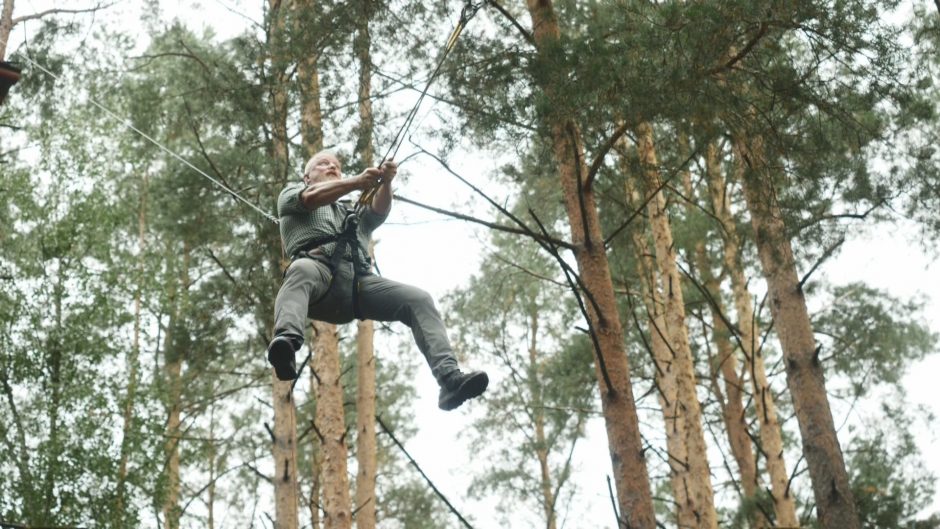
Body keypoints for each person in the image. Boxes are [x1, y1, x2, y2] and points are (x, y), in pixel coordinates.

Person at [267, 150, 488, 411]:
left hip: (359, 285)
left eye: (336, 165)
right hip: (318, 274)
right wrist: (358, 182)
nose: (331, 167)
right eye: (323, 164)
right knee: (300, 269)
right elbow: (310, 198)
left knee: (419, 299)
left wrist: (386, 182)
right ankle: (286, 345)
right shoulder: (291, 196)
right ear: (307, 176)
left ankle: (449, 379)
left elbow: (378, 211)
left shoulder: (351, 211)